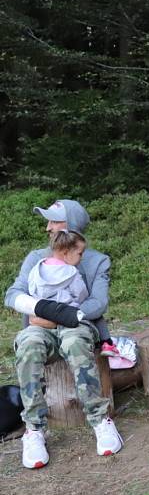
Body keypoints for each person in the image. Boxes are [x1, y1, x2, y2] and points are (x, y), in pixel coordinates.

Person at [5, 199, 123, 469]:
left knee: (75, 340)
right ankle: (33, 429)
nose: (47, 227)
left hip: (76, 325)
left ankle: (100, 420)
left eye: (54, 221)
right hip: (39, 328)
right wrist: (43, 311)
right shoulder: (36, 258)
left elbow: (98, 303)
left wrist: (57, 316)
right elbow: (13, 295)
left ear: (70, 227)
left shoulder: (95, 262)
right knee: (28, 344)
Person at [27, 229, 118, 357]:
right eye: (80, 254)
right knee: (94, 313)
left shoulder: (37, 268)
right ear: (65, 253)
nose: (81, 258)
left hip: (44, 312)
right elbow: (81, 294)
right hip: (67, 311)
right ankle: (106, 343)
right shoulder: (71, 272)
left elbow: (32, 289)